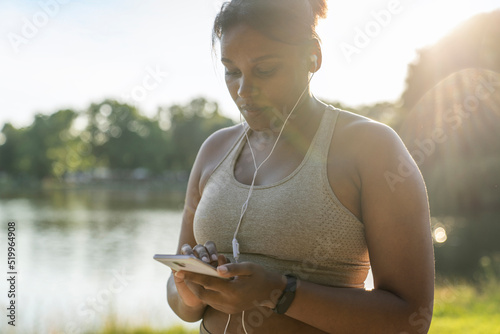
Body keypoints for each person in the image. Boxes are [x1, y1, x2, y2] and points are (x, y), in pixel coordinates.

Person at [166, 0, 435, 333]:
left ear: (313, 57)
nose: (243, 90)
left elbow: (410, 319)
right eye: (232, 71)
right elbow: (182, 306)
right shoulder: (213, 151)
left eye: (264, 70)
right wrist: (190, 289)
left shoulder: (371, 148)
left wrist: (277, 292)